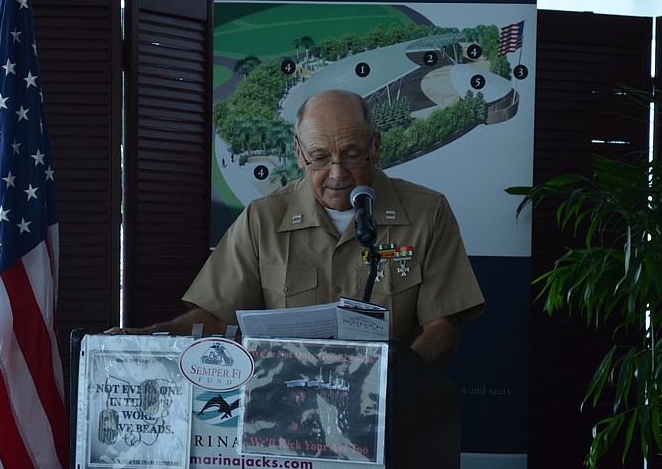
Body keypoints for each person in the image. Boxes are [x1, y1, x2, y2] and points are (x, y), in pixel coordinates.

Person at [108, 89, 485, 367]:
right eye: (320, 158)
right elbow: (214, 318)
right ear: (299, 154)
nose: (337, 174)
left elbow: (442, 328)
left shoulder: (427, 213)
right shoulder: (263, 218)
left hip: (392, 415)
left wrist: (396, 385)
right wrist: (142, 338)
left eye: (352, 155)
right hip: (288, 411)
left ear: (376, 147)